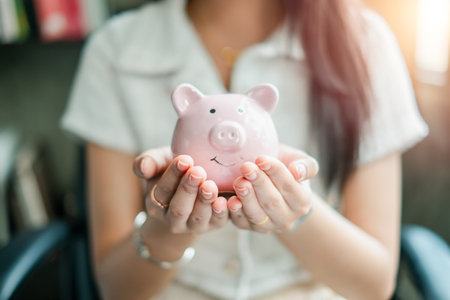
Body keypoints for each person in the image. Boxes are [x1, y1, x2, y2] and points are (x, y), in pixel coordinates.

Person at [61, 0, 429, 299]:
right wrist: (170, 228)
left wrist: (295, 214)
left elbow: (376, 285)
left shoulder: (365, 42)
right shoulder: (115, 49)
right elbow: (114, 288)